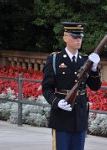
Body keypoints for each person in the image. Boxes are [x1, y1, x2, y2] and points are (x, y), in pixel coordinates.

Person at [42, 22, 101, 150]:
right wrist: (56, 102)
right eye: (75, 37)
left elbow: (95, 87)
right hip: (61, 116)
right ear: (65, 38)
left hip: (80, 115)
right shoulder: (54, 60)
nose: (78, 40)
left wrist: (95, 69)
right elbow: (47, 88)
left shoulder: (85, 60)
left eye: (80, 37)